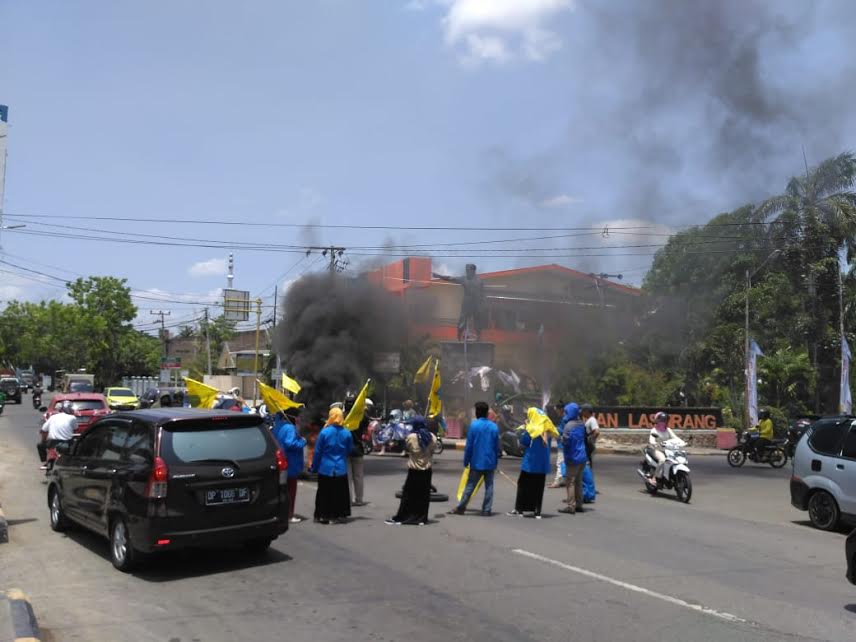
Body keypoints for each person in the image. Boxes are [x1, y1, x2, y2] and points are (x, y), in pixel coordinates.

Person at [449, 401, 501, 516]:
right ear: (487, 413)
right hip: (490, 462)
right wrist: (495, 461)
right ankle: (486, 510)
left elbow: (469, 446)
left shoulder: (474, 425)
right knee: (489, 487)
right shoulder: (494, 427)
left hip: (476, 462)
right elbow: (497, 447)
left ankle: (461, 507)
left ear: (477, 412)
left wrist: (466, 461)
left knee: (470, 486)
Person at [386, 416, 437, 525]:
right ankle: (421, 519)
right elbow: (432, 451)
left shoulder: (411, 437)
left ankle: (404, 517)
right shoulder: (432, 437)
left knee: (409, 496)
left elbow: (408, 449)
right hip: (427, 471)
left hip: (414, 471)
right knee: (423, 496)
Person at [508, 408, 557, 518]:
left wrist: (525, 428)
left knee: (523, 485)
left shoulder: (531, 429)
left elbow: (524, 442)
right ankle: (537, 511)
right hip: (542, 465)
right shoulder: (547, 429)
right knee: (538, 488)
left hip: (530, 464)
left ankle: (519, 509)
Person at [310, 407, 353, 524]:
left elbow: (318, 452)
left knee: (324, 493)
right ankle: (338, 515)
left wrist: (314, 467)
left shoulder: (324, 432)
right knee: (339, 493)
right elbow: (349, 449)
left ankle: (322, 515)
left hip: (325, 467)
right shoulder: (347, 433)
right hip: (340, 467)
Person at [271, 409, 306, 523]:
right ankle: (289, 515)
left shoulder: (278, 425)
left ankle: (280, 513)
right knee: (291, 491)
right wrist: (302, 441)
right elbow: (290, 443)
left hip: (280, 461)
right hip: (291, 463)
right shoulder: (290, 428)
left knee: (281, 490)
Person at [558, 403, 587, 515]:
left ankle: (571, 506)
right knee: (579, 482)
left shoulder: (568, 426)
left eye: (566, 411)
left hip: (573, 457)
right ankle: (579, 505)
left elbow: (565, 442)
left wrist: (559, 437)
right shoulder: (581, 424)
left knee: (570, 482)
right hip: (582, 457)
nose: (565, 414)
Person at [39, 401, 79, 471]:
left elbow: (43, 430)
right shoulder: (72, 418)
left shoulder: (53, 417)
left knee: (40, 445)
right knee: (76, 449)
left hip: (52, 443)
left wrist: (43, 441)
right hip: (66, 443)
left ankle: (46, 462)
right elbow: (75, 429)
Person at [348, 398, 372, 507]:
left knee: (347, 476)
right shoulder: (361, 416)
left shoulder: (342, 416)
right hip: (358, 449)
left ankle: (348, 499)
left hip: (346, 449)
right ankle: (359, 499)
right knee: (358, 476)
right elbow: (366, 424)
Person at [647, 411, 679, 482]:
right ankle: (654, 478)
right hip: (657, 449)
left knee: (677, 459)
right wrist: (655, 443)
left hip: (667, 450)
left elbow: (675, 438)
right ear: (657, 421)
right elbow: (651, 440)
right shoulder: (654, 430)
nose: (663, 422)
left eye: (664, 420)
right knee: (662, 460)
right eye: (661, 420)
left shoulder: (668, 430)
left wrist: (682, 442)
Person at [548, 402, 567, 488]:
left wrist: (553, 430)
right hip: (565, 444)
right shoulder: (566, 418)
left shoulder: (565, 419)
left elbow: (563, 431)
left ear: (561, 409)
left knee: (559, 463)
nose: (556, 412)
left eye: (557, 410)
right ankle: (563, 480)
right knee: (564, 463)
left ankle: (557, 482)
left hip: (562, 444)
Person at [581, 404, 600, 468]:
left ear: (587, 411)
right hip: (587, 447)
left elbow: (596, 432)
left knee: (587, 466)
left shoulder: (592, 420)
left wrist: (590, 441)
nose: (582, 412)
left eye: (583, 411)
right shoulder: (589, 420)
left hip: (589, 447)